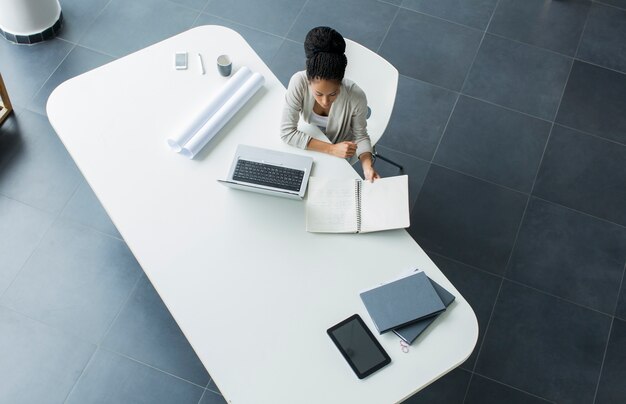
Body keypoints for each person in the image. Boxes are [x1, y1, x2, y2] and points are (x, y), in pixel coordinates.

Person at [280, 26, 380, 182]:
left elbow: (360, 136)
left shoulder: (356, 97)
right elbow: (286, 133)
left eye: (333, 94)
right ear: (308, 80)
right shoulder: (298, 82)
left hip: (338, 149)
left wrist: (367, 167)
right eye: (318, 94)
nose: (325, 102)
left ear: (340, 83)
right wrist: (331, 149)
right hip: (315, 144)